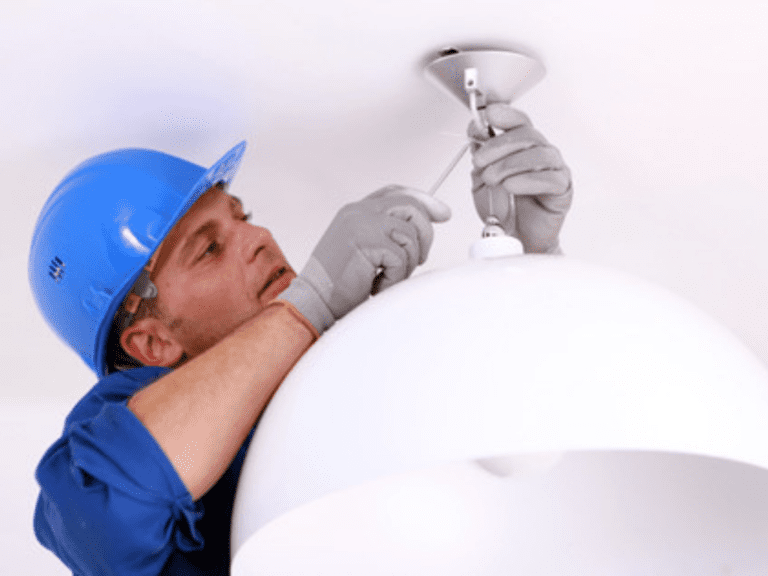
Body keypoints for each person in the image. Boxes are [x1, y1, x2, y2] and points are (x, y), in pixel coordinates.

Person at [29, 104, 572, 575]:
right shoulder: (116, 427)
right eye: (209, 248)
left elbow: (518, 446)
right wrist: (311, 304)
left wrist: (527, 257)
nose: (259, 238)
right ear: (152, 346)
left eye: (243, 218)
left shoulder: (340, 371)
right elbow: (102, 506)